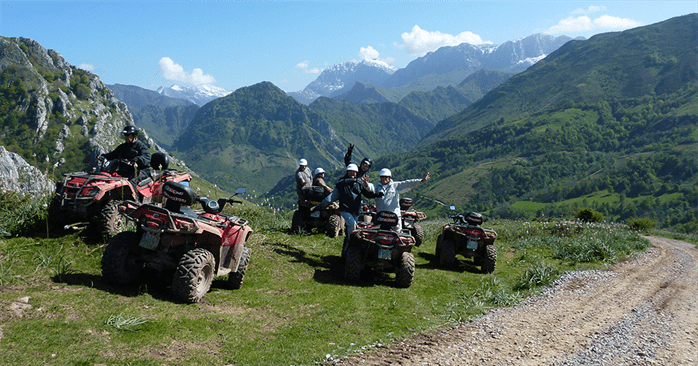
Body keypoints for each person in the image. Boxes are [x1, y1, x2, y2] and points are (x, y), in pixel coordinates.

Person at [312, 164, 379, 237]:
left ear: (356, 172)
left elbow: (366, 194)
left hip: (355, 209)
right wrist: (353, 180)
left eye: (353, 172)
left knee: (354, 227)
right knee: (352, 224)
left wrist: (376, 195)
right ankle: (317, 208)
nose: (352, 173)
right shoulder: (343, 181)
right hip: (345, 208)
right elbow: (339, 184)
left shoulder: (359, 182)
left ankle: (350, 243)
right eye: (350, 171)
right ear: (347, 172)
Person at [363, 168, 430, 231]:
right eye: (382, 177)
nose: (384, 179)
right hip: (381, 215)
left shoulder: (396, 186)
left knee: (397, 232)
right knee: (380, 232)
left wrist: (421, 181)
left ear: (389, 177)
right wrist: (366, 185)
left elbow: (408, 183)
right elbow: (370, 187)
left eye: (386, 177)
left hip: (394, 215)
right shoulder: (377, 186)